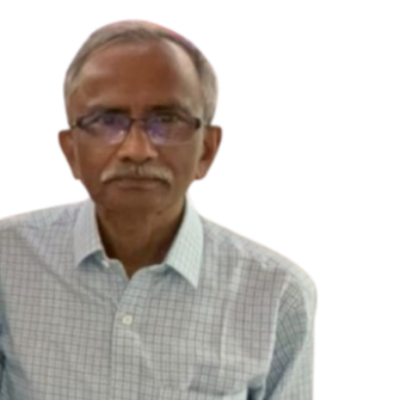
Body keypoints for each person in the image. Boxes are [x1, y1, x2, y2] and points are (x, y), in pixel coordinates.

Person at [0, 18, 318, 399]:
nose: (136, 150)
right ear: (69, 151)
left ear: (208, 149)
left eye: (166, 120)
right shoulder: (8, 260)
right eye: (107, 120)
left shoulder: (277, 294)